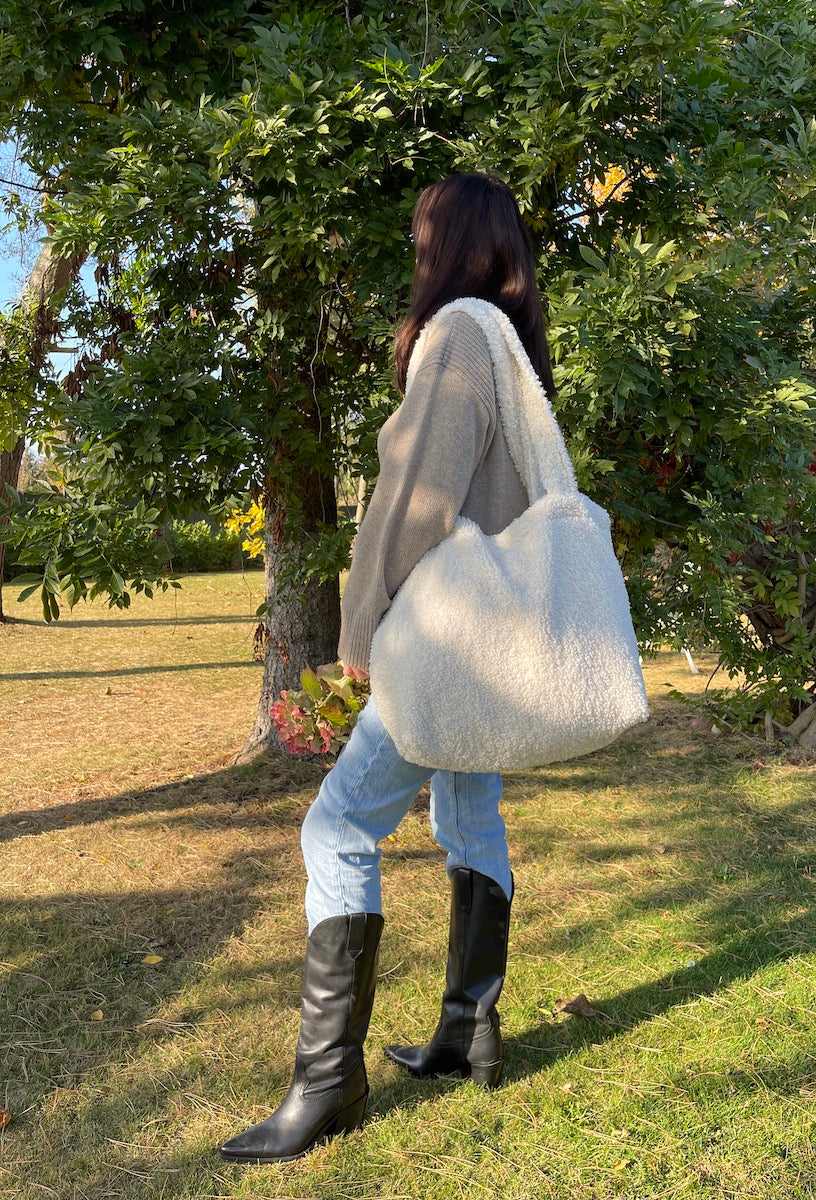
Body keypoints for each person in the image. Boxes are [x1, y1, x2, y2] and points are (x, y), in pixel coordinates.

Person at [219, 172, 557, 1165]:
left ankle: (329, 1083)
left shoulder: (455, 335)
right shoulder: (512, 347)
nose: (415, 253)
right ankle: (468, 1030)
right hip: (495, 638)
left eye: (422, 237)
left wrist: (362, 635)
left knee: (337, 825)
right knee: (467, 815)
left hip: (444, 638)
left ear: (449, 243)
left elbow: (414, 505)